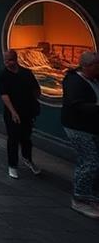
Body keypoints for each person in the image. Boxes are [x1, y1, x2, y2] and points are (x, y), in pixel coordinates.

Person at [61, 51, 99, 218]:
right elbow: (76, 104)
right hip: (78, 127)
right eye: (97, 65)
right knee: (89, 161)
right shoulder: (74, 81)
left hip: (91, 127)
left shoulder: (94, 79)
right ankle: (79, 199)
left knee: (91, 161)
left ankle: (90, 196)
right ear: (87, 66)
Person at [0, 49, 42, 179]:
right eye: (5, 60)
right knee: (13, 138)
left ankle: (28, 159)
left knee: (26, 138)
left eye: (9, 60)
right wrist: (13, 112)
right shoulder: (2, 75)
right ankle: (12, 165)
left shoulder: (26, 73)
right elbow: (4, 95)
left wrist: (34, 102)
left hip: (27, 111)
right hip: (12, 112)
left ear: (15, 59)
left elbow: (36, 90)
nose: (7, 63)